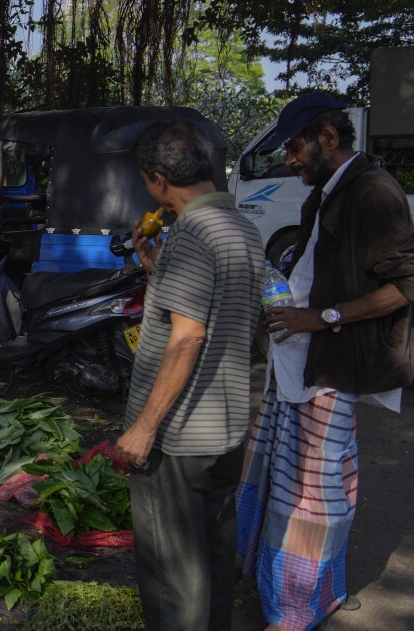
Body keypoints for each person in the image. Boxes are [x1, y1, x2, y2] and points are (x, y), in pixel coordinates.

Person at [237, 93, 414, 631]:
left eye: (295, 148)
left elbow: (408, 284)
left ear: (327, 137)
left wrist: (321, 317)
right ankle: (269, 583)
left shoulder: (372, 189)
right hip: (297, 363)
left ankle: (298, 609)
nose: (290, 160)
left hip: (331, 365)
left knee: (312, 496)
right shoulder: (325, 191)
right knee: (279, 478)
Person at [116, 119, 264, 631]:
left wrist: (145, 426)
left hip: (178, 441)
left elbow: (188, 338)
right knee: (212, 559)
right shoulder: (241, 226)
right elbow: (212, 307)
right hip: (224, 433)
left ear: (158, 180)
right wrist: (156, 265)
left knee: (172, 576)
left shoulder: (194, 232)